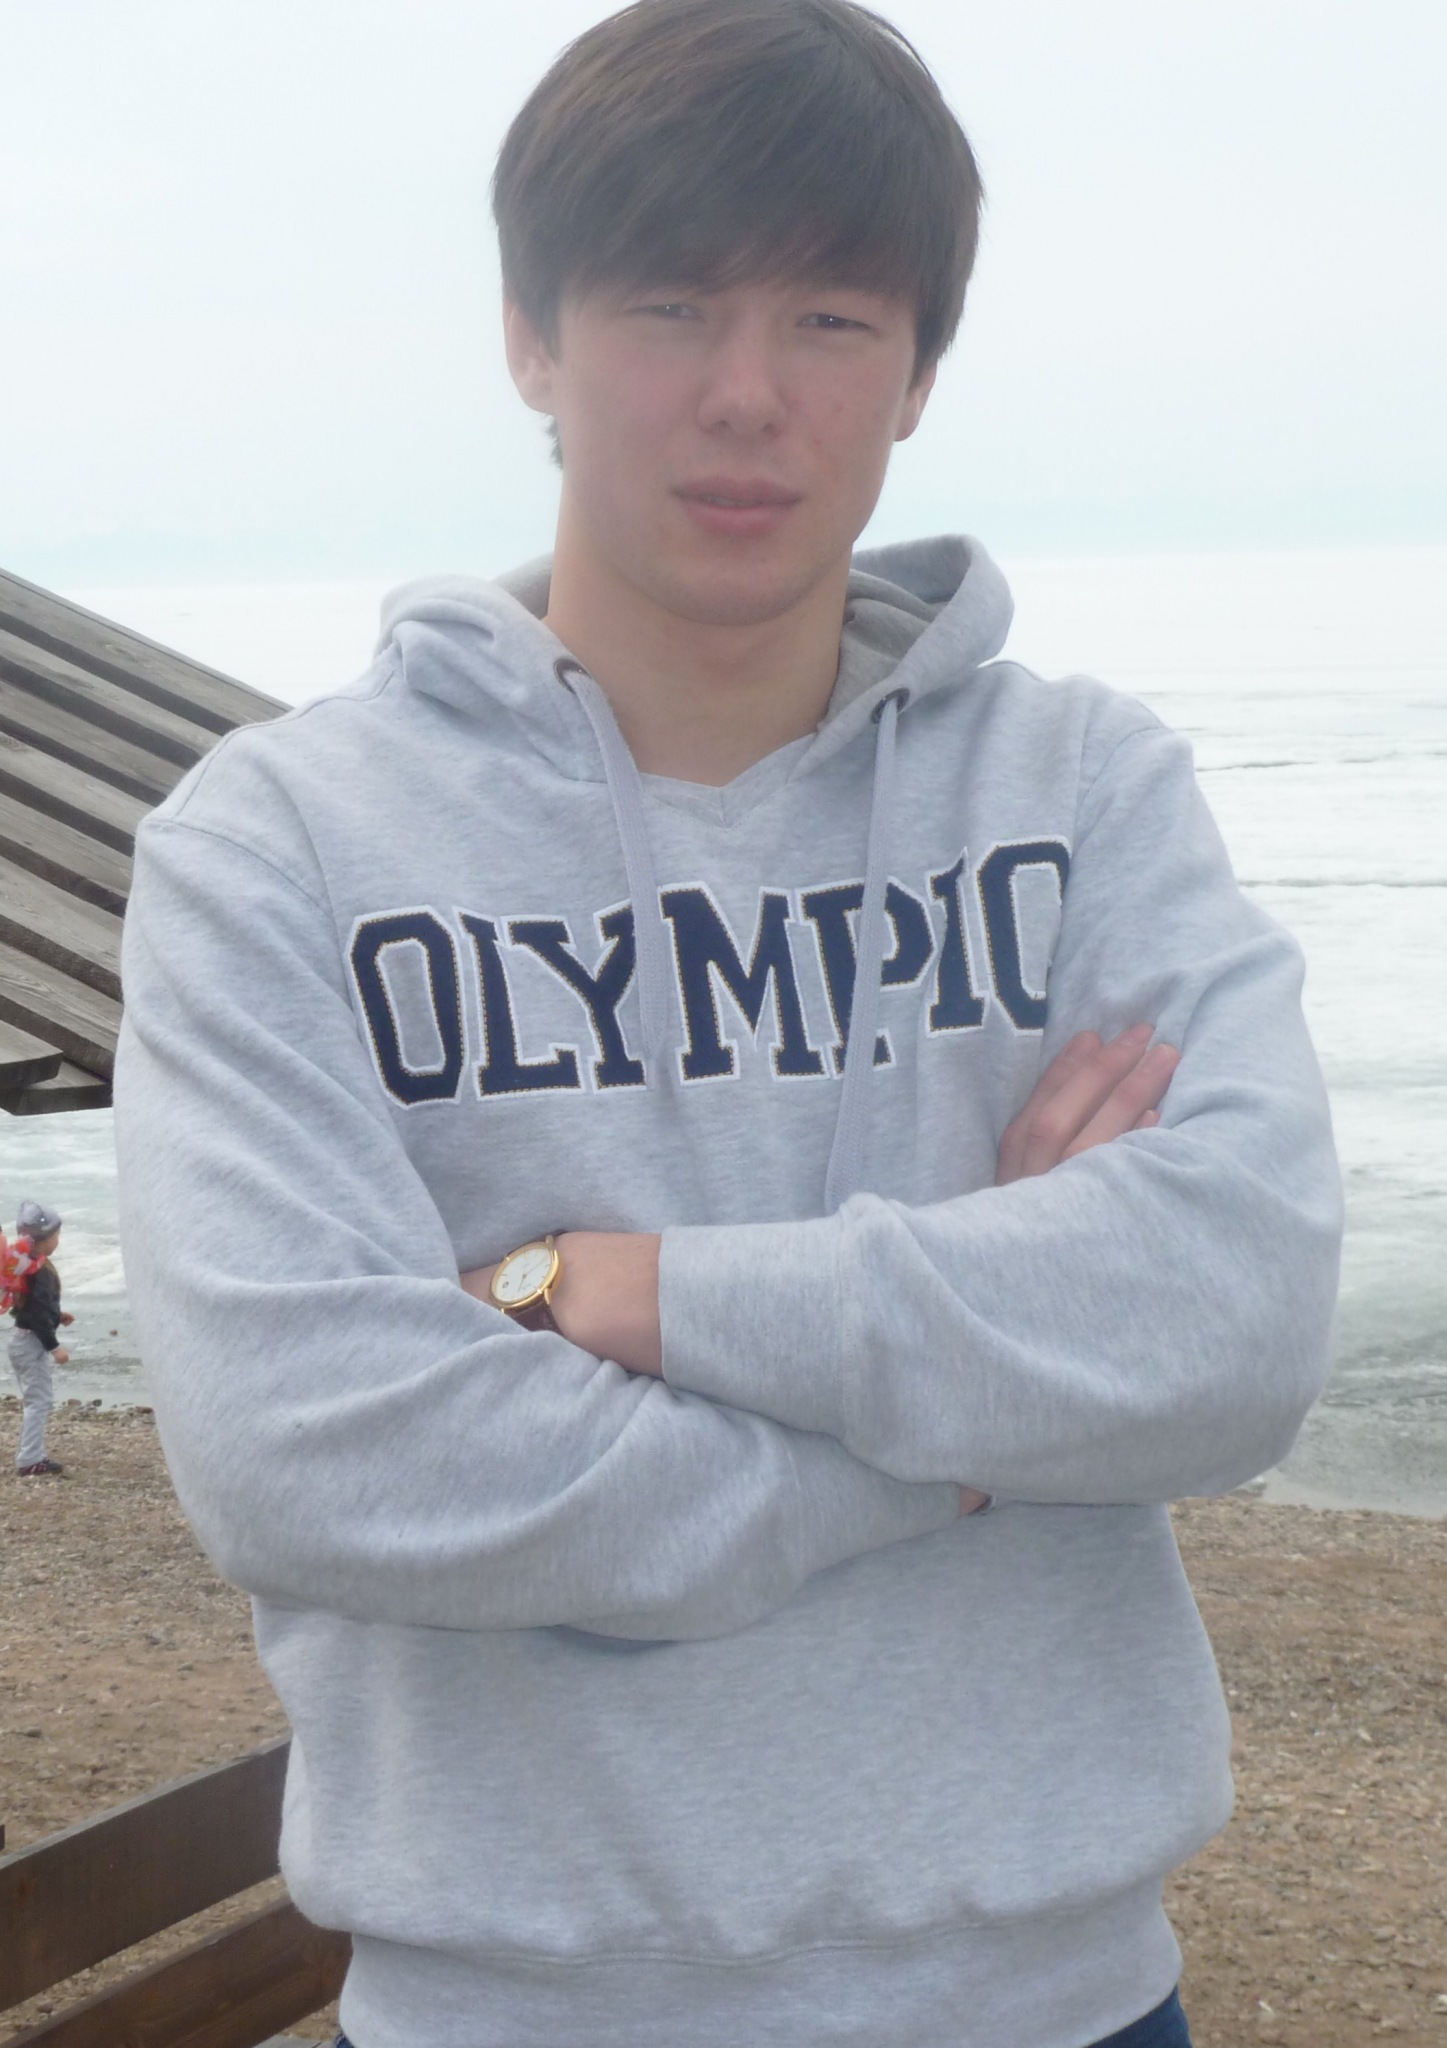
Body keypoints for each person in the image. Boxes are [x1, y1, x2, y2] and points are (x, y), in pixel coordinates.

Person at [112, 2, 1342, 2043]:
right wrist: (975, 1429)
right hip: (511, 2007)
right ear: (532, 337)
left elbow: (1239, 1319)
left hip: (1060, 2000)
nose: (747, 395)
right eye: (669, 306)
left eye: (833, 320)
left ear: (919, 373)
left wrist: (621, 1287)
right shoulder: (280, 847)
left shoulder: (1078, 791)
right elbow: (312, 1453)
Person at [6, 1199, 73, 1477]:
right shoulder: (40, 1271)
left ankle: (31, 1456)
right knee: (39, 1401)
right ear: (43, 1239)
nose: (58, 1240)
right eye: (56, 1235)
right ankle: (30, 1459)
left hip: (21, 1339)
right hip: (31, 1343)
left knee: (37, 1399)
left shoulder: (28, 1265)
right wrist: (55, 1347)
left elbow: (31, 1307)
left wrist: (57, 1316)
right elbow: (37, 1313)